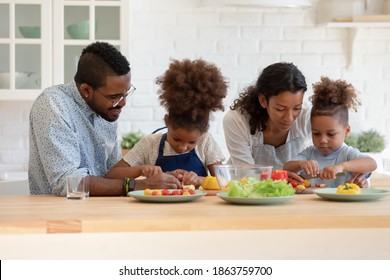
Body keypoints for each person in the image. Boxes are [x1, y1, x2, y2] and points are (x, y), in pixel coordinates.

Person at [29, 41, 182, 196]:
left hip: (102, 210)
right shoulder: (53, 104)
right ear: (86, 90)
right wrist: (138, 184)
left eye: (125, 93)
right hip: (59, 214)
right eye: (114, 97)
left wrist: (162, 176)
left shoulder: (105, 111)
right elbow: (68, 183)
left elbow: (112, 172)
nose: (122, 103)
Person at [106, 58, 228, 187]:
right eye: (177, 139)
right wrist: (141, 169)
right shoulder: (150, 144)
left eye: (192, 142)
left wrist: (199, 180)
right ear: (167, 122)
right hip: (158, 207)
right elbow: (111, 175)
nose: (182, 147)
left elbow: (225, 182)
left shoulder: (205, 142)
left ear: (203, 133)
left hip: (198, 207)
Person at [223, 62, 311, 183]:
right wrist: (279, 177)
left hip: (292, 193)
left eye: (297, 108)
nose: (289, 118)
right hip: (247, 193)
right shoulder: (236, 120)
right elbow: (246, 173)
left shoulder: (306, 117)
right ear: (263, 100)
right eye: (280, 109)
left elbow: (334, 149)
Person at [283, 76, 377, 187]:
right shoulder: (309, 154)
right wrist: (301, 164)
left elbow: (372, 164)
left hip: (342, 204)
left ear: (346, 131)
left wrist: (342, 166)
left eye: (331, 134)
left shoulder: (347, 154)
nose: (322, 140)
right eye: (316, 133)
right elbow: (286, 168)